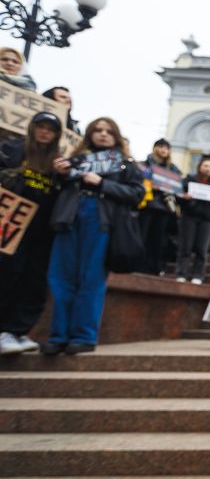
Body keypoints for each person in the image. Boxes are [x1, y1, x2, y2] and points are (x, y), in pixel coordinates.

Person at [45, 117, 145, 355]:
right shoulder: (74, 161)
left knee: (90, 279)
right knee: (61, 278)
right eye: (98, 130)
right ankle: (59, 336)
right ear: (89, 134)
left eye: (108, 131)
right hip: (68, 218)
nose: (103, 134)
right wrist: (58, 173)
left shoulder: (125, 164)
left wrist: (102, 184)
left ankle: (84, 336)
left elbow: (137, 193)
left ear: (116, 136)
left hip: (100, 221)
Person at [0, 112, 63, 355]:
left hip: (43, 230)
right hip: (12, 225)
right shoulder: (13, 149)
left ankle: (17, 330)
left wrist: (64, 174)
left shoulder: (58, 160)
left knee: (35, 280)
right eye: (41, 127)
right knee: (9, 274)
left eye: (51, 129)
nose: (45, 132)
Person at [176, 156, 210, 284]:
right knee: (186, 246)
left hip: (208, 219)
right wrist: (184, 197)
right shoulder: (189, 180)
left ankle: (198, 275)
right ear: (200, 167)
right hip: (189, 216)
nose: (208, 169)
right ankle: (182, 273)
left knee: (202, 249)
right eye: (206, 166)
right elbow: (178, 195)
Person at [138, 138, 180, 276]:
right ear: (155, 148)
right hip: (147, 205)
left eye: (166, 148)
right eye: (161, 147)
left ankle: (154, 267)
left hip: (164, 207)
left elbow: (178, 186)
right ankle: (138, 264)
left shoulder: (173, 169)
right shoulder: (145, 164)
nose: (163, 150)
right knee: (142, 235)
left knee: (159, 239)